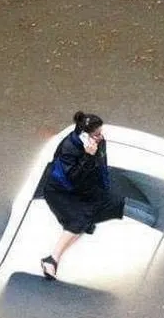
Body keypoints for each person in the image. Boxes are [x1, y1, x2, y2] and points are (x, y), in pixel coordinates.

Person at [41, 111, 157, 280]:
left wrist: (103, 185)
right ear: (84, 136)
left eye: (100, 133)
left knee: (119, 208)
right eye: (96, 135)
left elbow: (101, 165)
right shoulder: (69, 148)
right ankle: (52, 259)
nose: (100, 137)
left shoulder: (99, 142)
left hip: (90, 189)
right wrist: (87, 157)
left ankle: (54, 258)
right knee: (79, 221)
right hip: (63, 193)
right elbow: (74, 179)